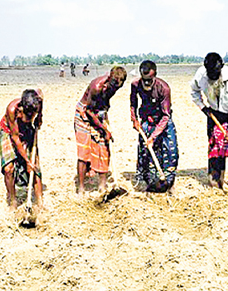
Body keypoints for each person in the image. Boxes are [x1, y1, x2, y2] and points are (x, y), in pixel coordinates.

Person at [190, 52, 228, 190]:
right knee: (216, 147)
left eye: (215, 72)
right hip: (214, 113)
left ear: (221, 68)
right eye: (210, 72)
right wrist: (203, 108)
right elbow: (194, 92)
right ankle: (216, 182)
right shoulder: (201, 75)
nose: (213, 76)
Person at [74, 66, 127, 194]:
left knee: (104, 148)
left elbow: (105, 101)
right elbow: (89, 111)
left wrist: (104, 113)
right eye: (114, 83)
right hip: (84, 114)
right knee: (84, 152)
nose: (116, 87)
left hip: (98, 113)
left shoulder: (115, 86)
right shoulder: (97, 87)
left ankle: (102, 186)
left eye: (119, 85)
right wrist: (104, 129)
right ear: (109, 77)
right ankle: (81, 188)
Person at [130, 60, 178, 192]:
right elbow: (133, 103)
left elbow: (166, 115)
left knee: (169, 151)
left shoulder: (164, 89)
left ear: (155, 75)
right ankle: (149, 182)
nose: (146, 83)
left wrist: (154, 136)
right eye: (144, 79)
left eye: (149, 80)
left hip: (163, 121)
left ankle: (169, 183)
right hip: (147, 121)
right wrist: (134, 119)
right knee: (145, 152)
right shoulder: (135, 85)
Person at [0, 89, 44, 210]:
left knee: (35, 166)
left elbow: (41, 95)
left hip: (26, 129)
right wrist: (26, 161)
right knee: (9, 168)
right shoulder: (12, 109)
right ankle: (12, 200)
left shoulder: (36, 102)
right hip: (9, 131)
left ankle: (40, 202)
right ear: (21, 109)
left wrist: (39, 117)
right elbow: (15, 138)